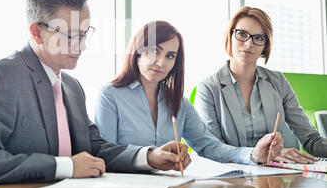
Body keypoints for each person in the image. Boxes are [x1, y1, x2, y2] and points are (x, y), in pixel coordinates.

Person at [0, 0, 186, 185]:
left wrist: (148, 157)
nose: (82, 46)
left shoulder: (71, 87)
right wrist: (66, 166)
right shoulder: (3, 76)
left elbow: (94, 148)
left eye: (84, 35)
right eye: (71, 35)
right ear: (36, 32)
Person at [95, 20, 283, 165]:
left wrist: (253, 154)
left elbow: (208, 146)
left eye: (170, 56)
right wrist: (149, 157)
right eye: (154, 51)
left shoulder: (179, 103)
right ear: (137, 51)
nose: (161, 63)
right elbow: (105, 154)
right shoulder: (110, 95)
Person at [194, 6, 327, 163]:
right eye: (242, 34)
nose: (249, 44)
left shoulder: (278, 81)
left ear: (265, 45)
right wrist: (254, 155)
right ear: (230, 36)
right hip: (233, 179)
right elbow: (211, 148)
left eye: (258, 38)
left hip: (277, 177)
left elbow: (311, 140)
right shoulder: (208, 88)